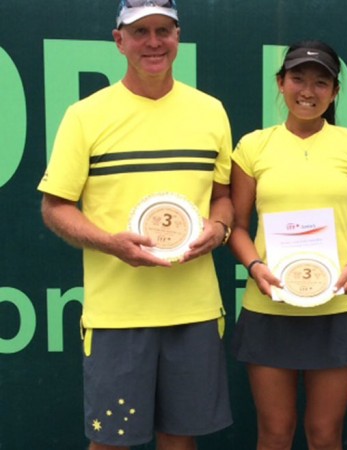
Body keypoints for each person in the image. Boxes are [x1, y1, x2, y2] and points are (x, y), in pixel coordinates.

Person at [37, 1, 233, 449]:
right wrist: (111, 244)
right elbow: (55, 207)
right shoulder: (86, 115)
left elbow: (223, 199)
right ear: (118, 40)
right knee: (110, 445)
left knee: (180, 442)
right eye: (140, 31)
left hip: (195, 312)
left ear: (178, 37)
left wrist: (218, 230)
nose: (153, 42)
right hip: (117, 318)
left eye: (163, 30)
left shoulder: (210, 112)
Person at [229, 40, 347, 450]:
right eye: (298, 78)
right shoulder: (252, 147)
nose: (308, 91)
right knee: (275, 433)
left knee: (325, 434)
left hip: (336, 308)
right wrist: (256, 267)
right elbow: (237, 227)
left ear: (334, 92)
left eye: (321, 82)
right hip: (268, 307)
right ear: (280, 83)